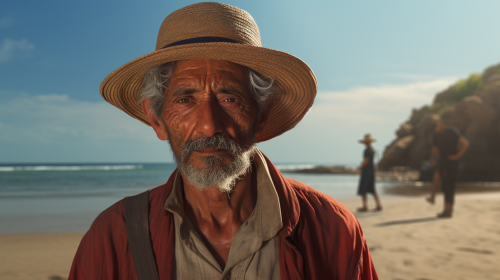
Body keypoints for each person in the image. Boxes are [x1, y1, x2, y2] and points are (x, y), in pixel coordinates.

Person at [69, 3, 378, 280]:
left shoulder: (331, 228)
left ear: (262, 114)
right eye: (185, 100)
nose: (209, 124)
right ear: (156, 119)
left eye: (229, 98)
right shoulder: (112, 236)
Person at [429, 115, 469, 218]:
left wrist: (457, 156)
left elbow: (465, 143)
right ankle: (447, 211)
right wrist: (432, 160)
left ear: (440, 123)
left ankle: (448, 211)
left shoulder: (452, 130)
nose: (436, 127)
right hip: (442, 163)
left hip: (452, 164)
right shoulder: (436, 135)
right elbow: (435, 149)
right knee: (445, 188)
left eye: (436, 125)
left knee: (449, 187)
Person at [356, 134, 382, 212]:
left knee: (364, 188)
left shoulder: (367, 150)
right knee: (372, 188)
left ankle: (365, 206)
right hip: (371, 170)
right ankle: (378, 205)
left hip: (366, 171)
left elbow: (366, 161)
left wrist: (360, 167)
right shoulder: (372, 150)